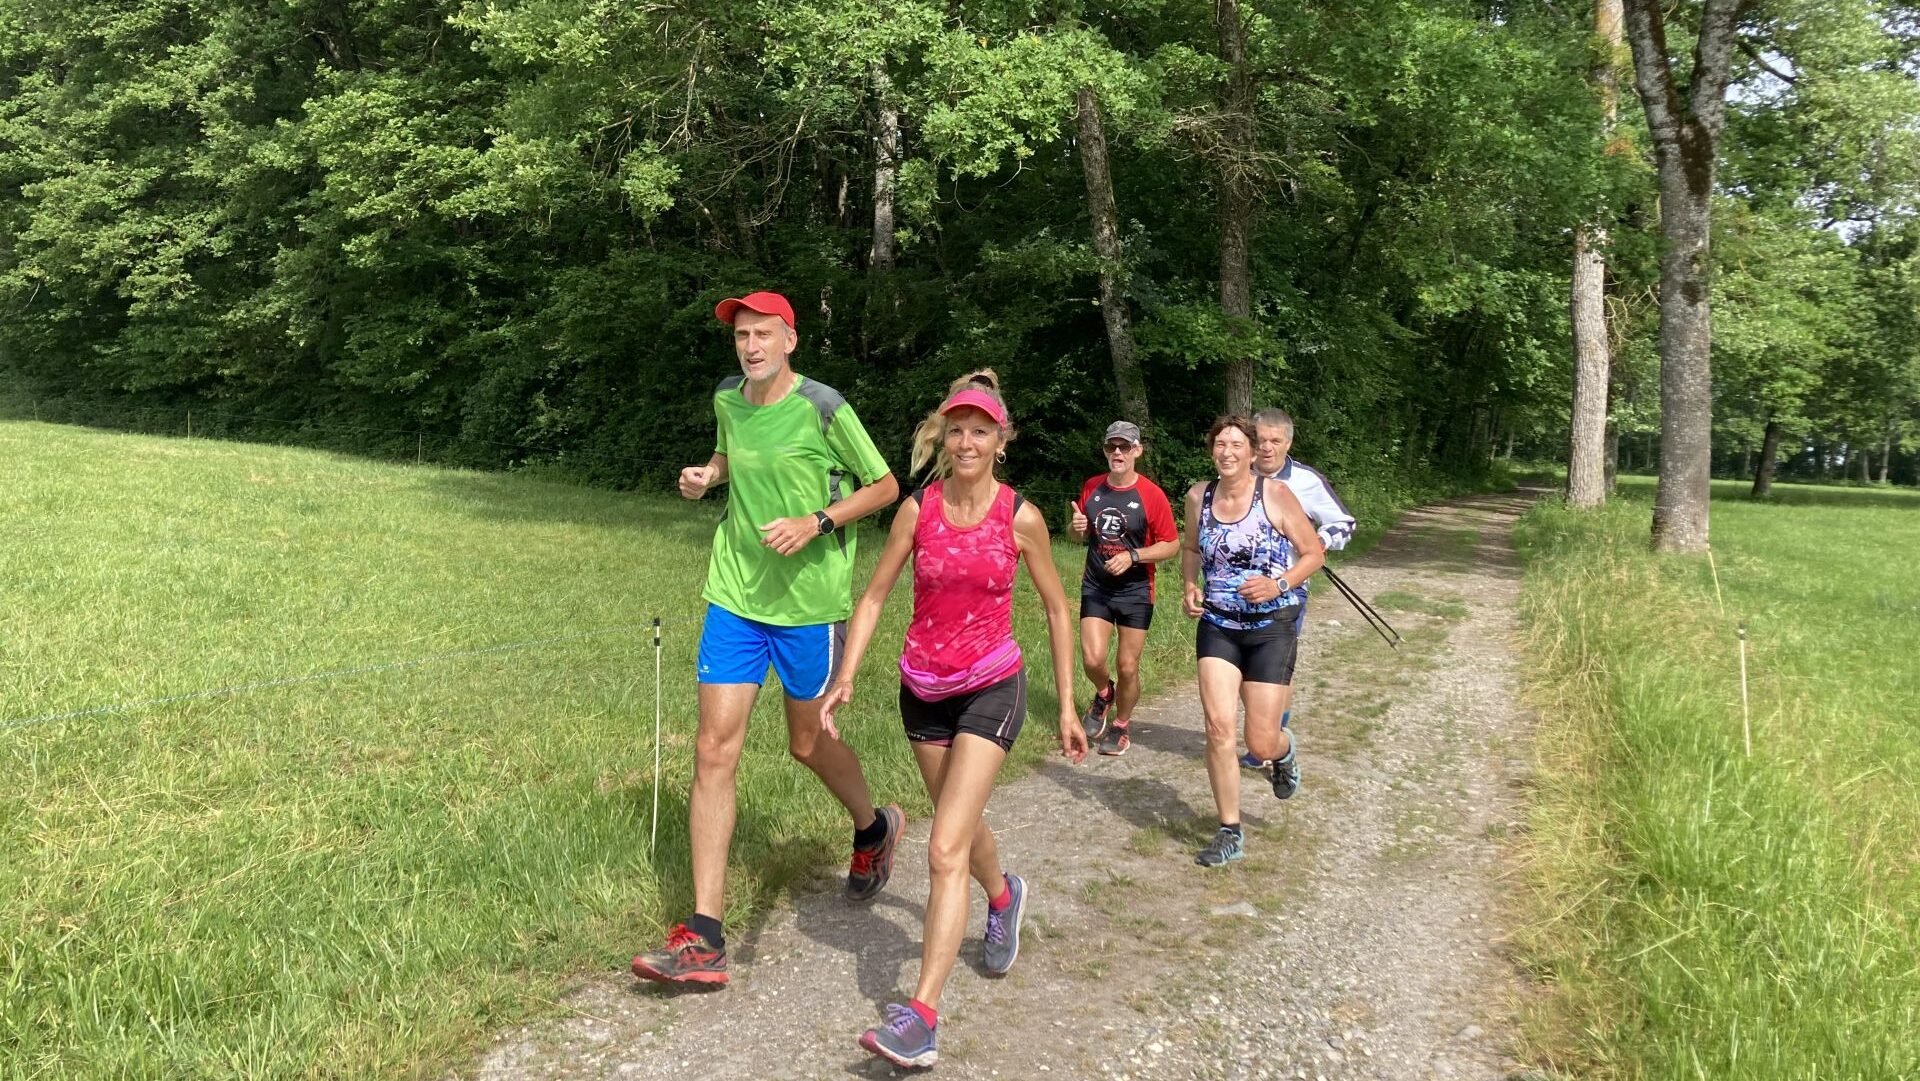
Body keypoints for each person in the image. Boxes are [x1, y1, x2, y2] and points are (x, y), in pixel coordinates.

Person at [632, 290, 904, 987]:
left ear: (790, 340)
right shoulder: (729, 397)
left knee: (806, 743)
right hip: (735, 595)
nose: (750, 346)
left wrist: (817, 521)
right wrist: (708, 475)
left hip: (810, 604)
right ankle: (705, 936)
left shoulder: (823, 406)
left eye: (763, 334)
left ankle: (874, 828)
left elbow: (884, 487)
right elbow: (730, 456)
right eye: (741, 335)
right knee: (712, 748)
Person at [821, 369, 1088, 1069]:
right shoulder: (918, 510)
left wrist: (1066, 703)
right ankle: (1003, 894)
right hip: (923, 688)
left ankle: (922, 1016)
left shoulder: (1020, 516)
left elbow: (1056, 608)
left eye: (981, 431)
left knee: (943, 848)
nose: (967, 442)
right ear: (944, 437)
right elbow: (874, 596)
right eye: (957, 430)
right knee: (957, 825)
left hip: (991, 684)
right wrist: (846, 675)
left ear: (1002, 440)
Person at [1181, 416, 1326, 867]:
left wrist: (1278, 584)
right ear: (1212, 450)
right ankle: (1230, 830)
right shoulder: (1198, 496)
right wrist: (1190, 585)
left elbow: (1314, 554)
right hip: (1218, 625)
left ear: (1250, 452)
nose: (1227, 452)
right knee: (1218, 728)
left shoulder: (1275, 495)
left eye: (1236, 445)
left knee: (1260, 743)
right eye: (1220, 444)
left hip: (1271, 626)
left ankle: (1283, 752)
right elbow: (1191, 548)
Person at [1238, 407, 1357, 771]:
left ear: (1288, 443)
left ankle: (1271, 740)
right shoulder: (1238, 474)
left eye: (1275, 441)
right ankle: (1264, 732)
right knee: (1243, 672)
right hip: (1239, 590)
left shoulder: (1306, 481)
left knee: (1274, 670)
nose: (1266, 448)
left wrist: (1320, 540)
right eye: (1260, 440)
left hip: (1287, 590)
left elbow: (1344, 522)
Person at [1067, 421, 1180, 756]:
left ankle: (1121, 724)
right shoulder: (1092, 487)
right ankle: (1104, 694)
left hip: (1136, 591)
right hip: (1097, 586)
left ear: (1137, 451)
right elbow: (1078, 536)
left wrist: (1133, 556)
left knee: (1128, 665)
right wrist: (1076, 528)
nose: (1117, 452)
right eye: (1111, 446)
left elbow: (1172, 544)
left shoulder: (1151, 495)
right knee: (1092, 659)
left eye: (1124, 446)